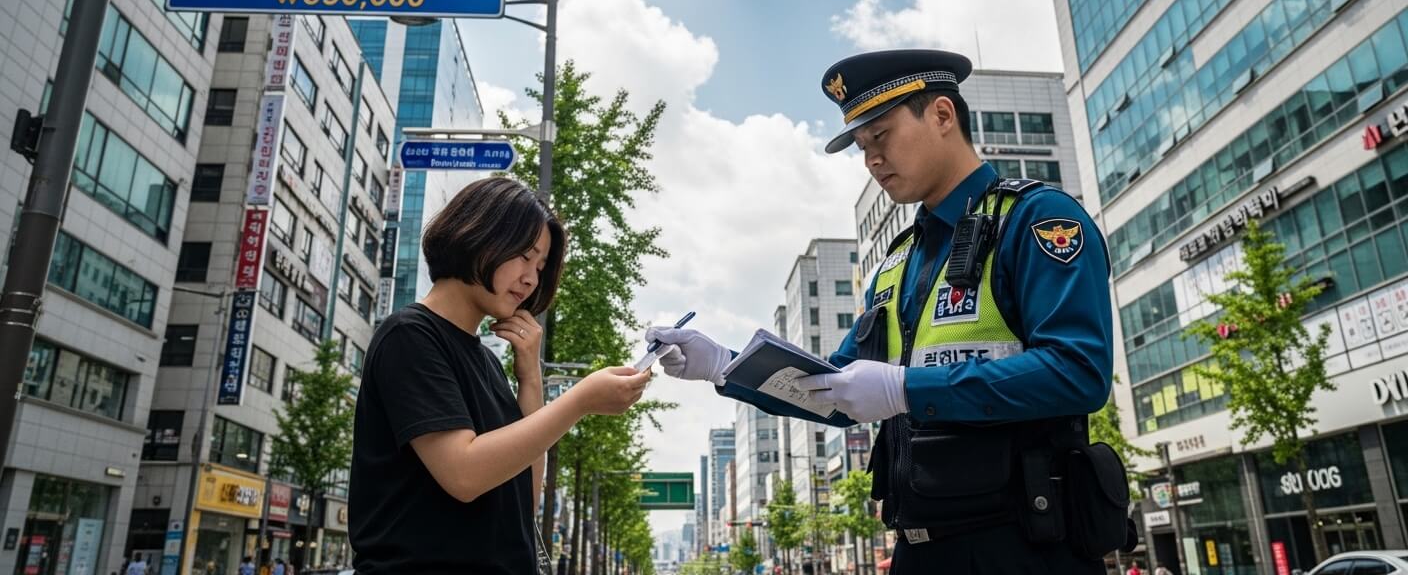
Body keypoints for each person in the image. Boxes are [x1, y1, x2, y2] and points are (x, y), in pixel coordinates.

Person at [650, 50, 1122, 574]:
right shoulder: (897, 261)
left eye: (881, 137)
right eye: (861, 146)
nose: (872, 159)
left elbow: (1078, 370)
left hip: (1023, 546)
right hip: (916, 549)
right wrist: (724, 365)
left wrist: (906, 389)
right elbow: (834, 389)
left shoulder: (1037, 219)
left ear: (943, 116)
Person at [349, 177, 653, 574]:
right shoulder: (410, 336)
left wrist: (531, 379)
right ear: (477, 234)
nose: (531, 278)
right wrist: (579, 401)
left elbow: (522, 494)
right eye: (525, 256)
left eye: (541, 267)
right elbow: (464, 473)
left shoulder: (487, 362)